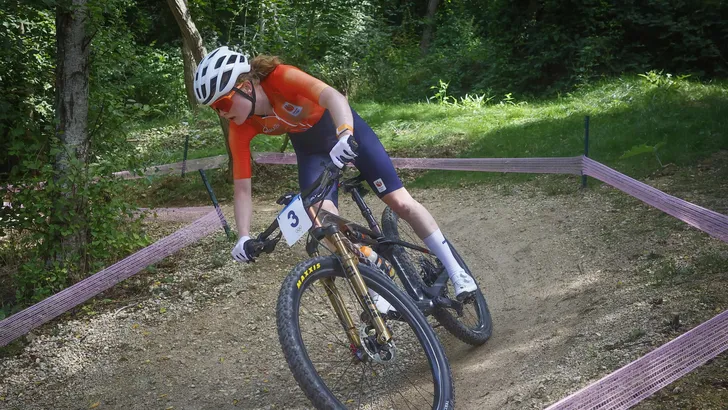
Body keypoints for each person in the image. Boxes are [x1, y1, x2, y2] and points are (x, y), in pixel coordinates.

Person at [193, 46, 477, 310]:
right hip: (311, 150)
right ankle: (376, 286)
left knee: (400, 202)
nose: (222, 112)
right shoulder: (240, 127)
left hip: (343, 128)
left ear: (245, 86)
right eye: (215, 108)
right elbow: (242, 188)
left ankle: (456, 270)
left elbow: (334, 97)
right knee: (324, 225)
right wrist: (243, 236)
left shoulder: (280, 78)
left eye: (223, 103)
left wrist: (345, 134)